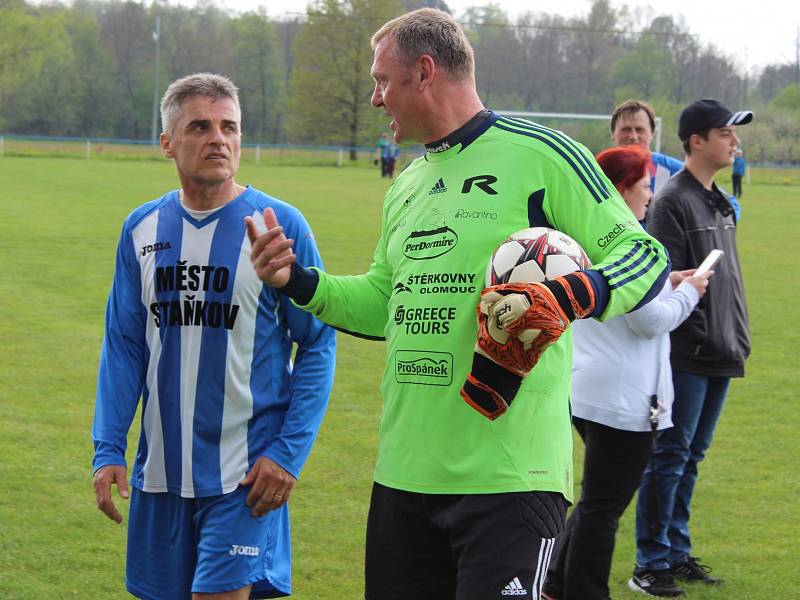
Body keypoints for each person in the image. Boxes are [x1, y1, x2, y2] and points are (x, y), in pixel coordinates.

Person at [246, 9, 669, 600]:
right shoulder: (407, 185)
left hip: (508, 479)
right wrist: (298, 281)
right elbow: (381, 303)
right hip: (403, 475)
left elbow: (644, 255)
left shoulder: (544, 155)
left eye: (382, 80)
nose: (374, 97)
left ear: (424, 73)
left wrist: (573, 294)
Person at [91, 73, 336, 600]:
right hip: (159, 472)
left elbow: (317, 344)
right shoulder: (142, 229)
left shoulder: (278, 226)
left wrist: (288, 454)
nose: (218, 139)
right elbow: (125, 345)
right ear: (167, 143)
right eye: (199, 127)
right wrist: (108, 447)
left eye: (229, 127)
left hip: (244, 476)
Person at [542, 145, 711, 600]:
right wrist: (691, 291)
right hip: (622, 399)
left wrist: (670, 281)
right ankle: (584, 590)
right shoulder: (628, 243)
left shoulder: (581, 236)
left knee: (598, 497)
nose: (651, 195)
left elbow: (628, 304)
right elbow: (648, 319)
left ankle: (557, 581)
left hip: (590, 388)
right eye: (644, 185)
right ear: (619, 190)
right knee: (604, 506)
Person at [630, 98, 752, 597]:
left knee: (691, 456)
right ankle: (650, 562)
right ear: (696, 141)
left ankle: (676, 552)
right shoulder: (673, 200)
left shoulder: (719, 200)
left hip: (723, 349)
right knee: (670, 456)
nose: (735, 143)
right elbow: (663, 281)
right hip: (687, 353)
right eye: (726, 134)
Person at [611, 99, 683, 194]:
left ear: (652, 133)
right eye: (626, 129)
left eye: (639, 130)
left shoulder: (677, 172)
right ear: (613, 133)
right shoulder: (599, 172)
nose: (633, 136)